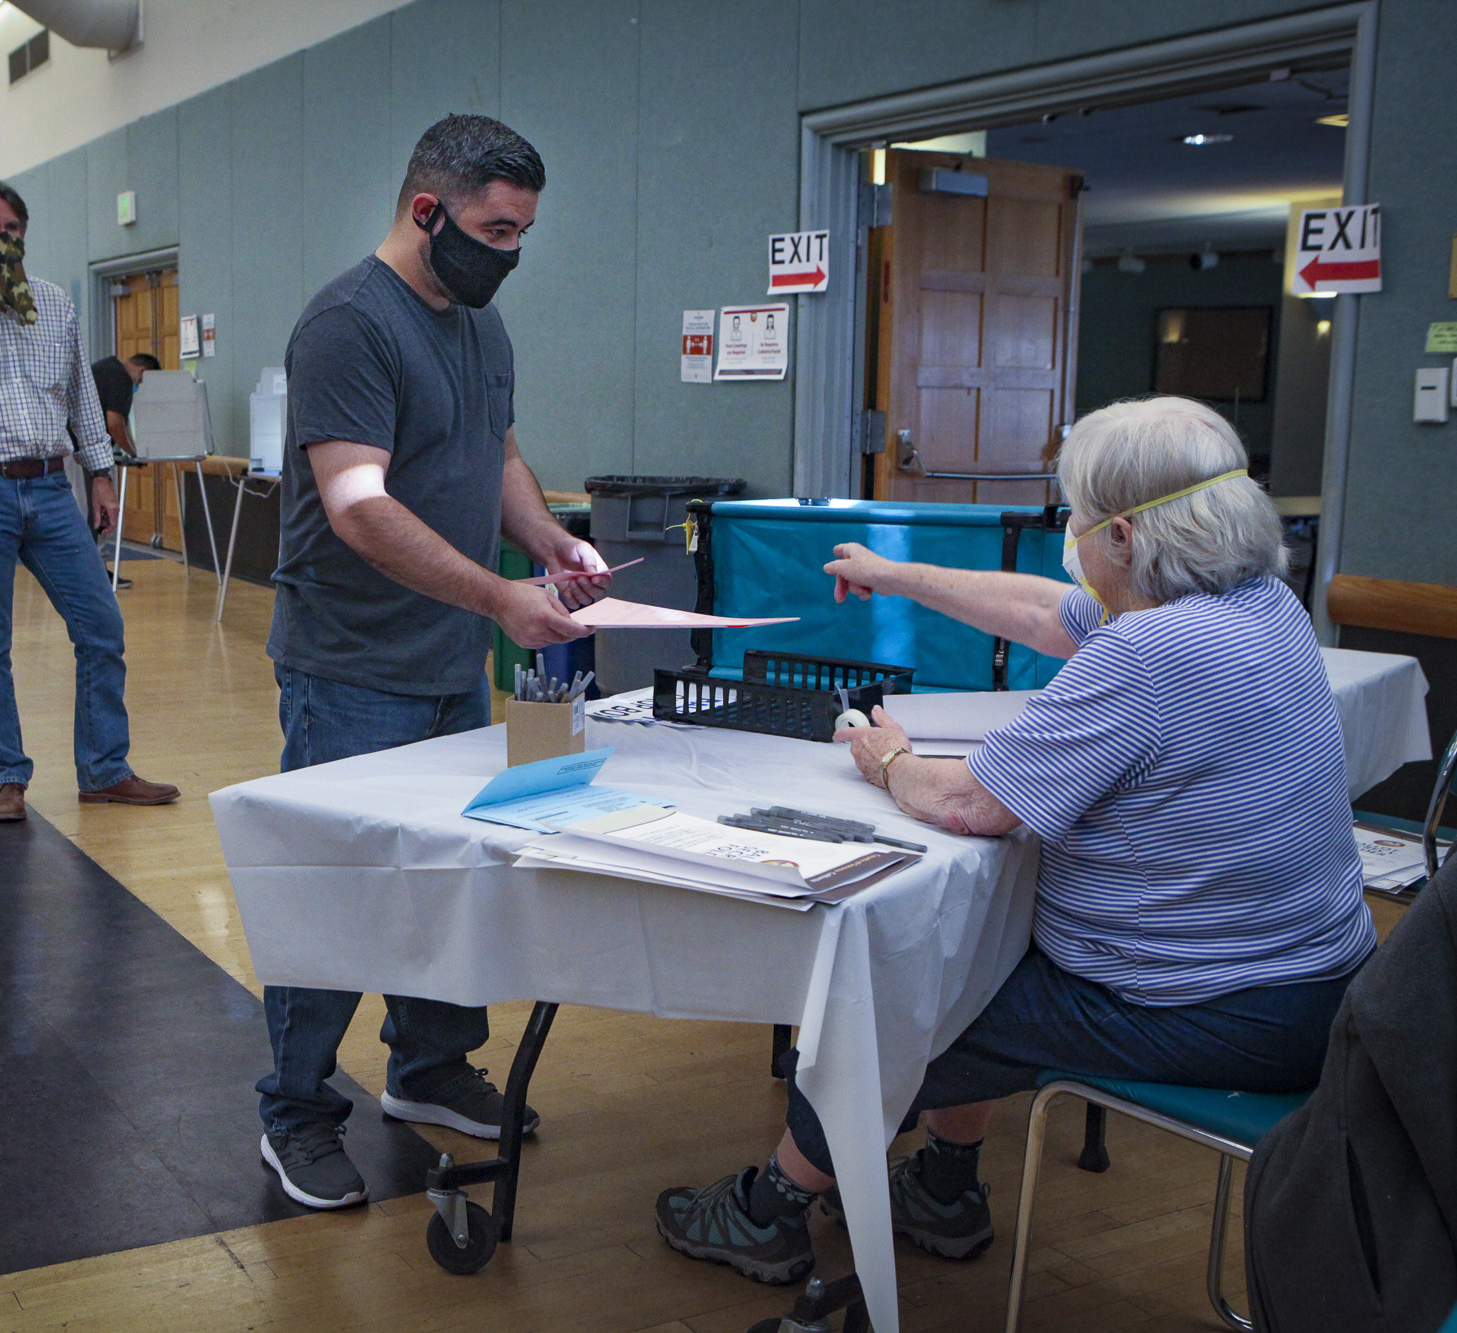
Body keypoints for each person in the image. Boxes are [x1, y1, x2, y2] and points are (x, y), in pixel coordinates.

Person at [654, 396, 1375, 1286]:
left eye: (1076, 517)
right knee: (987, 944)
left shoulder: (1151, 653)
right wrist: (897, 573)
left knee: (898, 1002)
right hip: (1313, 988)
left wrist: (886, 760)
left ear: (1122, 537)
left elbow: (968, 804)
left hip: (1215, 1008)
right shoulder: (1261, 605)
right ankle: (946, 1190)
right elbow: (1047, 613)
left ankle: (768, 1210)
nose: (1068, 536)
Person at [256, 114, 608, 1211]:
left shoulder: (477, 328)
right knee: (339, 895)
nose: (509, 252)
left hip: (455, 660)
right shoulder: (346, 325)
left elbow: (493, 453)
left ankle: (428, 1068)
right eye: (495, 229)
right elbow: (358, 508)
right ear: (426, 211)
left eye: (523, 233)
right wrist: (502, 595)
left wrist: (546, 543)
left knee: (460, 880)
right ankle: (296, 1108)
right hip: (350, 666)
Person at [0, 180, 178, 823]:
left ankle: (104, 768)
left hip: (52, 486)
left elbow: (82, 395)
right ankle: (6, 777)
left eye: (15, 229)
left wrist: (101, 475)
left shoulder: (54, 304)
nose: (6, 240)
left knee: (102, 629)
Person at [84, 350, 160, 586]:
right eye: (141, 382)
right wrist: (134, 451)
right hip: (83, 454)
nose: (138, 386)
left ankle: (94, 571)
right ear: (143, 372)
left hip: (73, 449)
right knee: (94, 514)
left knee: (90, 514)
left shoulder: (104, 366)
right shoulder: (121, 378)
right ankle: (94, 574)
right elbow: (114, 422)